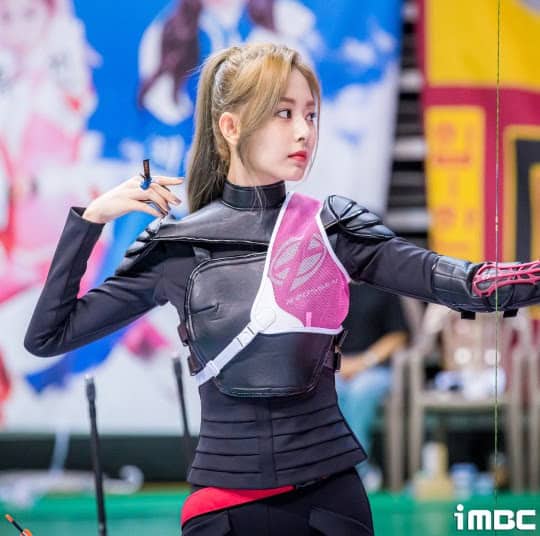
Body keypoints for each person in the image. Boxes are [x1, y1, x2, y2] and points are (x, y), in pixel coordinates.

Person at [24, 43, 540, 535]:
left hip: (330, 501)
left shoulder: (332, 229)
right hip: (220, 509)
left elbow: (466, 284)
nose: (304, 131)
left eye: (311, 115)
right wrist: (90, 219)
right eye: (284, 113)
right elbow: (48, 335)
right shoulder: (175, 247)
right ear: (231, 126)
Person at [335, 283, 409, 490]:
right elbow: (319, 332)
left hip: (376, 367)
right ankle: (339, 467)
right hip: (337, 366)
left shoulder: (384, 288)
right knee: (331, 390)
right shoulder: (330, 287)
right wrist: (339, 362)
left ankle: (357, 467)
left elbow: (398, 334)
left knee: (361, 391)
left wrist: (364, 362)